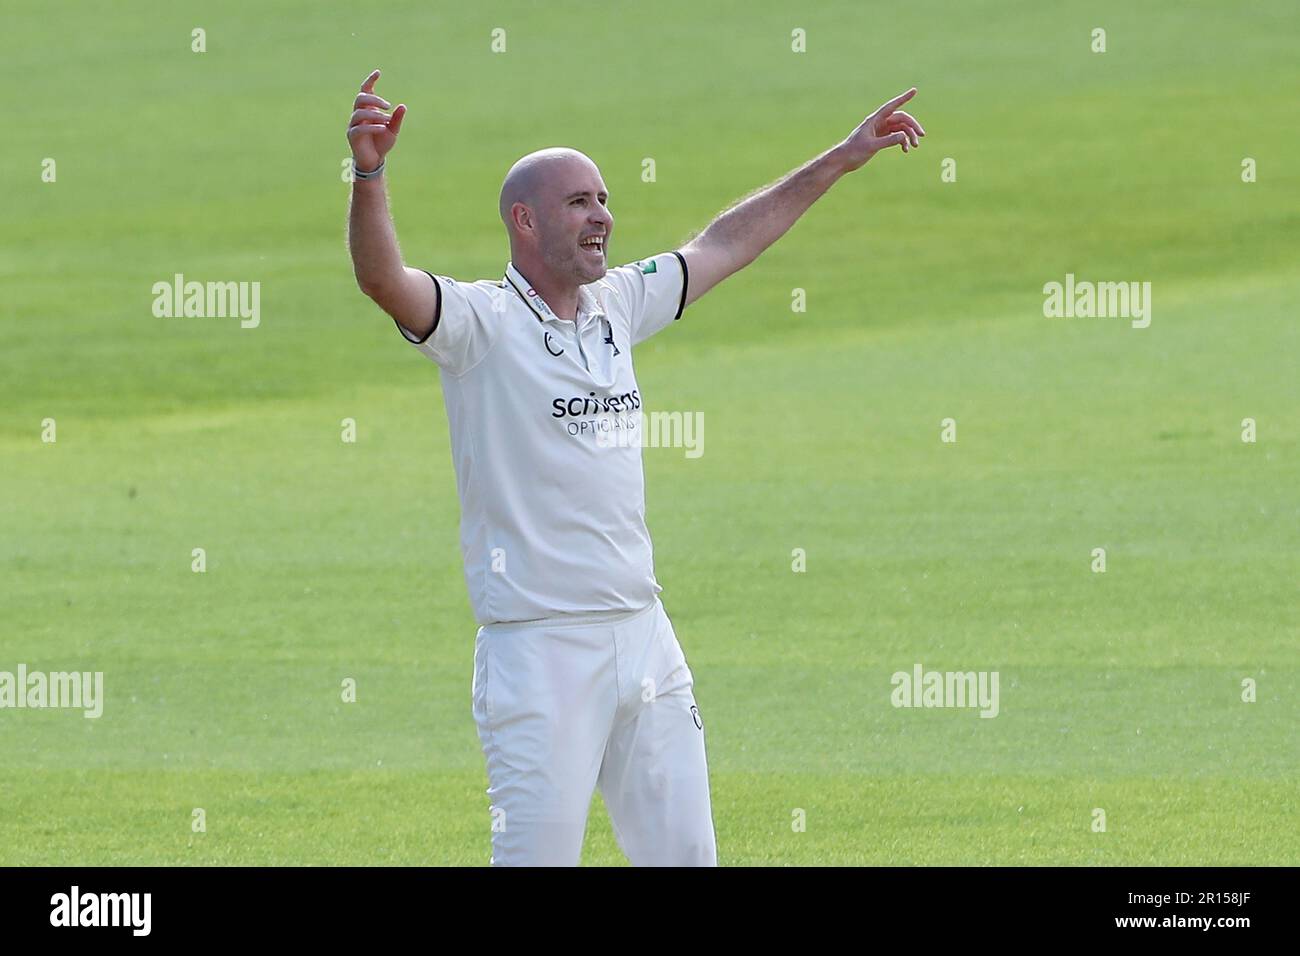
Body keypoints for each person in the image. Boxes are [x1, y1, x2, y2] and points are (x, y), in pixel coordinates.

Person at [345, 68, 924, 866]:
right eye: (579, 202)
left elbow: (721, 244)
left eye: (605, 199)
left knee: (687, 857)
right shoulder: (480, 323)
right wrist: (369, 174)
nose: (603, 217)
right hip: (540, 651)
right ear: (524, 220)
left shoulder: (618, 305)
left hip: (644, 635)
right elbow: (384, 280)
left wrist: (840, 158)